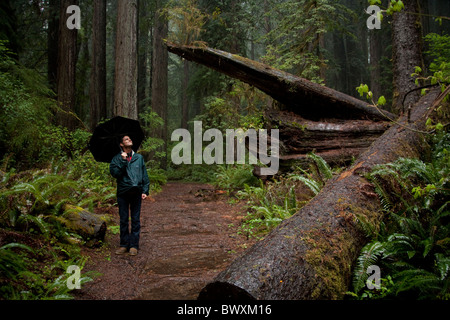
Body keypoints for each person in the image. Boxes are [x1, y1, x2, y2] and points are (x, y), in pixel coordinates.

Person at [110, 135, 150, 256]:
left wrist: (145, 190)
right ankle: (123, 245)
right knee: (123, 219)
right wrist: (122, 161)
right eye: (126, 139)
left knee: (136, 219)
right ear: (121, 144)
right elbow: (115, 174)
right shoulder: (116, 159)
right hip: (123, 192)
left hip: (136, 192)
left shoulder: (139, 158)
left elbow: (144, 175)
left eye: (130, 138)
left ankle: (134, 245)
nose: (130, 140)